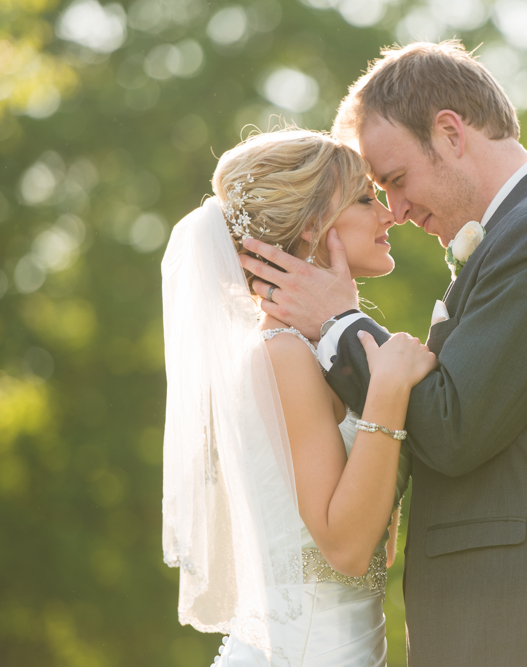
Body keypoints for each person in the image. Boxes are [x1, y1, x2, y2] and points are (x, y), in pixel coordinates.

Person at [240, 42, 527, 666]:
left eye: (395, 180)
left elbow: (452, 428)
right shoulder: (521, 233)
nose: (395, 211)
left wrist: (338, 323)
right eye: (377, 193)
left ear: (451, 132)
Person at [160, 128, 435, 667]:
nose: (388, 216)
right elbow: (348, 550)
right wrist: (387, 391)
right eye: (364, 199)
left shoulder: (312, 354)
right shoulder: (281, 355)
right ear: (311, 227)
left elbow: (378, 548)